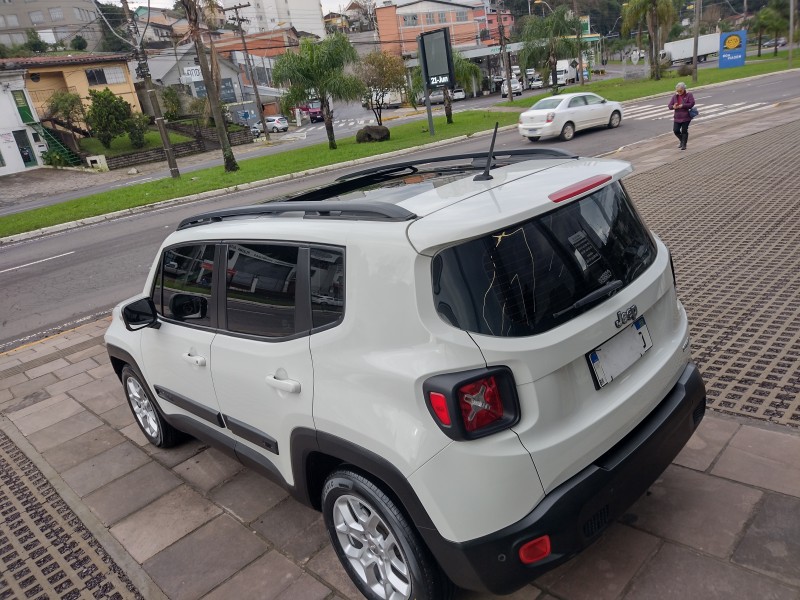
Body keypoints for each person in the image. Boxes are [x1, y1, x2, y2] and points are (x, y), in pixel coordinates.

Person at [668, 82, 695, 150]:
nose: (679, 92)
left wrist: (683, 105)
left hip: (686, 116)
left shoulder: (689, 94)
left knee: (684, 130)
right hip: (677, 117)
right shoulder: (675, 96)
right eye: (677, 91)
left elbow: (692, 103)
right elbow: (669, 106)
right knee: (676, 130)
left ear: (684, 89)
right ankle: (682, 140)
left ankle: (684, 144)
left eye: (680, 91)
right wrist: (673, 106)